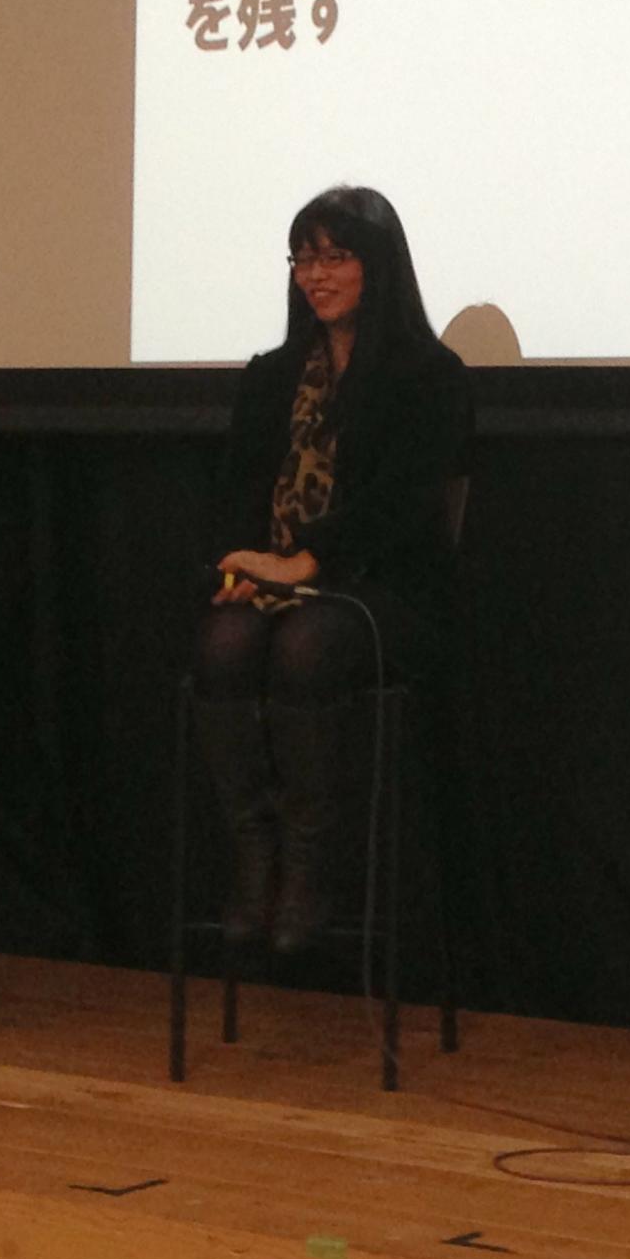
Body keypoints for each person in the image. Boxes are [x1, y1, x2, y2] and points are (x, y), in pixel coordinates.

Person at [195, 185, 471, 952]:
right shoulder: (271, 374)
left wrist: (308, 561)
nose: (315, 275)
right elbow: (236, 492)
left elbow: (404, 508)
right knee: (223, 641)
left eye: (334, 256)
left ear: (376, 266)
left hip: (386, 588)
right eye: (303, 258)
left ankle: (312, 868)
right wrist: (245, 565)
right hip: (282, 580)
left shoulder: (430, 376)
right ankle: (257, 857)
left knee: (306, 644)